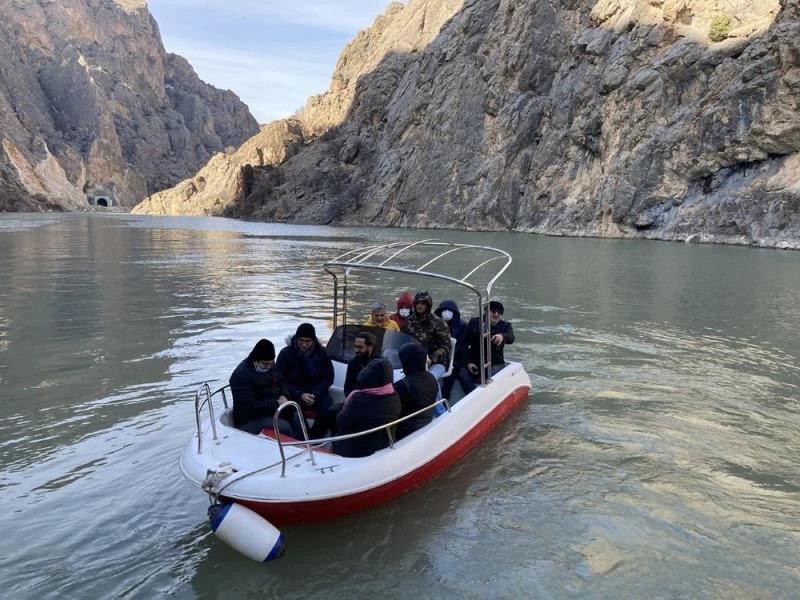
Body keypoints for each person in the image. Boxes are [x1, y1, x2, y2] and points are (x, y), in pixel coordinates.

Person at [275, 322, 335, 438]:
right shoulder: (286, 353)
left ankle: (315, 438)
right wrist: (300, 394)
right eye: (301, 340)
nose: (303, 345)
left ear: (313, 341)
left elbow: (328, 377)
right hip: (294, 393)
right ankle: (304, 438)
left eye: (307, 341)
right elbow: (280, 379)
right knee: (295, 412)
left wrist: (315, 394)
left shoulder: (322, 353)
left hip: (317, 392)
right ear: (296, 339)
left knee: (328, 410)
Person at [333, 358, 401, 457]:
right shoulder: (394, 395)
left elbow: (341, 421)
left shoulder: (359, 399)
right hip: (384, 444)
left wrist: (347, 406)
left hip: (359, 449)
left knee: (335, 427)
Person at [229, 338, 296, 436]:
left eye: (271, 363)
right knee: (284, 427)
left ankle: (308, 444)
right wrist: (276, 403)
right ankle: (294, 448)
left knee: (296, 417)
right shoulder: (241, 376)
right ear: (255, 360)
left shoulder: (270, 365)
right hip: (249, 420)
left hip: (271, 410)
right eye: (265, 364)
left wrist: (284, 395)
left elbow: (281, 381)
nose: (268, 367)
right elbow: (248, 407)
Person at [458, 300, 515, 395]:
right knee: (463, 375)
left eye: (499, 313)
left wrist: (502, 336)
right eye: (493, 311)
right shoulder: (474, 322)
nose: (496, 314)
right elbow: (463, 344)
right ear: (486, 312)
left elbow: (511, 338)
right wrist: (468, 362)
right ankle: (473, 397)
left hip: (495, 362)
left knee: (492, 382)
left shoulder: (505, 326)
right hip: (475, 360)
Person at [402, 290, 451, 380]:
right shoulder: (408, 322)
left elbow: (446, 347)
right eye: (417, 303)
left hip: (436, 362)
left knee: (429, 379)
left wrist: (431, 359)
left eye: (423, 303)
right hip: (413, 361)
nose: (419, 306)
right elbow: (402, 341)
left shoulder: (439, 323)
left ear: (428, 305)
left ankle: (436, 394)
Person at [393, 342, 438, 439]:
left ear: (407, 363)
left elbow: (391, 411)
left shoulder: (402, 385)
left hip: (405, 431)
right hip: (426, 422)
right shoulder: (432, 378)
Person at [434, 299, 467, 399]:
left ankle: (445, 400)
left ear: (454, 312)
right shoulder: (436, 324)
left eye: (450, 310)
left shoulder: (462, 325)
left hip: (455, 360)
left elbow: (461, 346)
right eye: (444, 310)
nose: (446, 312)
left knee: (449, 379)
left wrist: (450, 359)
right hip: (438, 357)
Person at [344, 331, 380, 397]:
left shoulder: (380, 364)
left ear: (371, 347)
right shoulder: (353, 363)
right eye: (355, 347)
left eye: (360, 347)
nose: (356, 350)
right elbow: (347, 387)